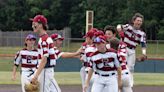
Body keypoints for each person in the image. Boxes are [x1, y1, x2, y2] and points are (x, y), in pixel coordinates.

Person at [116, 13, 147, 87]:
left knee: (131, 68)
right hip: (124, 48)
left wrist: (144, 53)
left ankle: (129, 84)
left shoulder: (142, 34)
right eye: (138, 20)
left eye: (140, 21)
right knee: (123, 65)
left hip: (132, 50)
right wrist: (120, 31)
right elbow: (118, 26)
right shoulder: (128, 27)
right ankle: (119, 81)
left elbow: (143, 44)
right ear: (134, 21)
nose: (139, 22)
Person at [30, 14, 58, 92]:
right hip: (48, 71)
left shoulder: (44, 40)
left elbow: (44, 60)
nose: (32, 26)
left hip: (45, 71)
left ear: (40, 25)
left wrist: (36, 75)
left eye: (34, 23)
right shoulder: (45, 38)